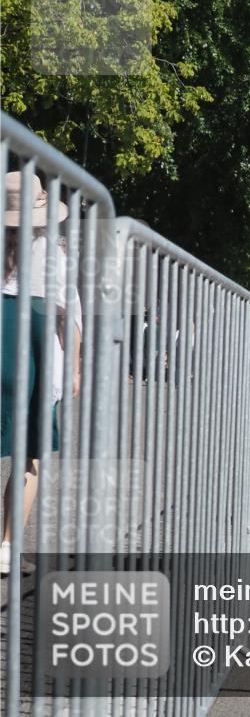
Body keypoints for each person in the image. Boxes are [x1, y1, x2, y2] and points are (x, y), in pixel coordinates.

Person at [1, 171, 80, 576]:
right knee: (28, 458)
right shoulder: (52, 255)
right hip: (31, 359)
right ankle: (6, 547)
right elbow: (70, 318)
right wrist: (74, 368)